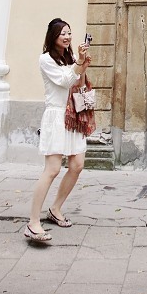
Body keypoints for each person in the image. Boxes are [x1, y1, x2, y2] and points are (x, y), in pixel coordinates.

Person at [25, 19, 92, 243]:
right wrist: (77, 65)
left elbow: (79, 85)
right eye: (63, 33)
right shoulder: (45, 59)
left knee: (77, 165)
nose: (67, 37)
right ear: (53, 35)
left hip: (74, 115)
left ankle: (55, 209)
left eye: (69, 33)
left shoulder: (71, 58)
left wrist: (82, 65)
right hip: (56, 117)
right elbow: (64, 82)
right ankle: (33, 223)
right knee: (52, 169)